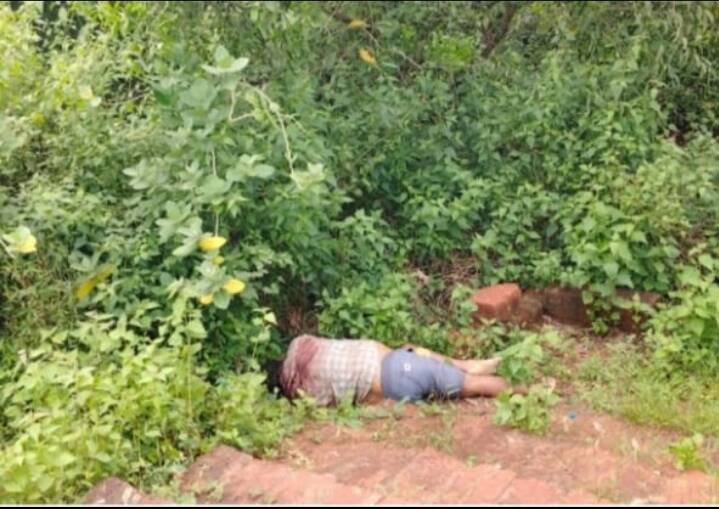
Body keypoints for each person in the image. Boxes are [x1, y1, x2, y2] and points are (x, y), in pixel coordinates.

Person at [265, 334, 525, 406]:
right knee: (474, 385)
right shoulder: (300, 345)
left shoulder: (304, 393)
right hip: (399, 364)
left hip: (396, 379)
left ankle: (465, 367)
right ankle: (527, 391)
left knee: (413, 352)